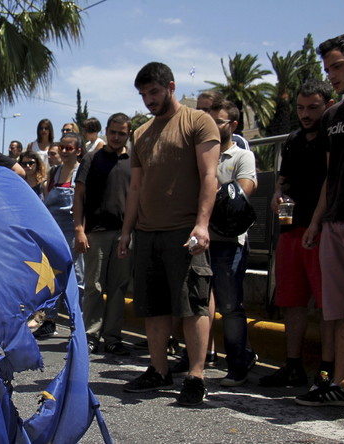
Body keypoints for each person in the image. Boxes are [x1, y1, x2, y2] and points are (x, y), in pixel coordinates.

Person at [118, 62, 219, 406]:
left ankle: (195, 376)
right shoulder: (141, 133)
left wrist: (202, 224)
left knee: (192, 305)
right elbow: (135, 188)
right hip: (147, 233)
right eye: (144, 95)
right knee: (153, 306)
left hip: (185, 230)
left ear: (172, 86)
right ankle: (158, 370)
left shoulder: (198, 121)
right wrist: (126, 232)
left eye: (155, 92)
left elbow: (209, 176)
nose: (149, 100)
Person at [260, 79, 336, 389]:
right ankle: (293, 366)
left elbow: (331, 183)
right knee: (291, 301)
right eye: (301, 108)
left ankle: (327, 370)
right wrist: (277, 193)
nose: (305, 114)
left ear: (328, 105)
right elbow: (282, 180)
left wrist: (317, 223)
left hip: (321, 230)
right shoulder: (292, 140)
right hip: (290, 228)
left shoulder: (333, 138)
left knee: (327, 304)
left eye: (313, 108)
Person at [296, 33, 344, 407]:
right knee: (342, 309)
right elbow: (330, 178)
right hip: (335, 222)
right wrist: (317, 222)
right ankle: (343, 384)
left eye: (338, 66)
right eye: (327, 68)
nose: (331, 74)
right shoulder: (333, 116)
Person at [205, 100, 258, 386]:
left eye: (219, 121)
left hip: (229, 242)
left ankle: (238, 362)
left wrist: (212, 192)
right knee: (199, 304)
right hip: (202, 239)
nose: (213, 126)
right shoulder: (203, 155)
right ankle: (196, 360)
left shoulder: (241, 157)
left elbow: (244, 191)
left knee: (230, 305)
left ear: (233, 126)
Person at [74, 113, 132, 355]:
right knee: (94, 287)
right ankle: (90, 335)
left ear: (128, 134)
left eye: (122, 133)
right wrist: (79, 228)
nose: (117, 137)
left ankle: (112, 337)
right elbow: (79, 195)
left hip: (125, 234)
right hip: (96, 232)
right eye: (113, 132)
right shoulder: (91, 159)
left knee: (118, 288)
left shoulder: (134, 161)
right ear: (106, 131)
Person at [33, 132, 85, 339]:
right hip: (55, 232)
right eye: (62, 147)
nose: (64, 151)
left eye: (69, 148)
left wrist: (82, 231)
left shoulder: (81, 173)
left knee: (79, 277)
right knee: (52, 277)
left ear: (78, 151)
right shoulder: (53, 173)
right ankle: (50, 320)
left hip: (74, 232)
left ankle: (77, 322)